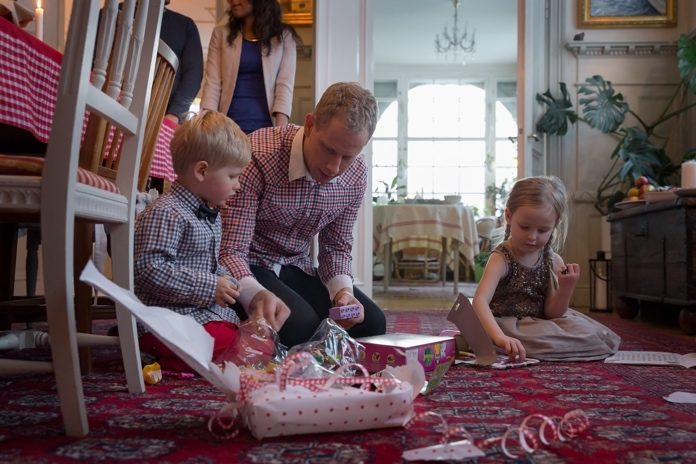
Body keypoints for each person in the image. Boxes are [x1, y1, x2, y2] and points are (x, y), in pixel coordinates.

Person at [219, 82, 387, 348]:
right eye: (329, 150)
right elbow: (230, 251)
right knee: (304, 328)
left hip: (296, 266)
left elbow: (336, 247)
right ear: (310, 125)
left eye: (348, 156)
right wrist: (255, 295)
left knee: (373, 324)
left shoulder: (356, 175)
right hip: (250, 263)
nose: (334, 167)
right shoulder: (258, 155)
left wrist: (343, 292)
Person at [133, 111, 251, 372]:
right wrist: (210, 286)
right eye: (232, 176)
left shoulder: (211, 215)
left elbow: (207, 263)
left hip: (197, 314)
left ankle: (194, 357)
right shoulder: (167, 212)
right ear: (202, 171)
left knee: (249, 336)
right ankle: (163, 355)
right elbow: (148, 270)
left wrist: (225, 281)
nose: (238, 185)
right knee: (234, 343)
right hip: (166, 318)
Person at [472, 176, 621, 361]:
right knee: (535, 338)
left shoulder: (552, 260)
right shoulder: (501, 258)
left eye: (542, 230)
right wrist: (499, 337)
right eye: (525, 227)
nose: (532, 237)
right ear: (509, 216)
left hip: (540, 325)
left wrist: (566, 287)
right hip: (505, 325)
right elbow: (479, 301)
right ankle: (504, 344)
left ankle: (550, 347)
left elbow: (553, 313)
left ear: (555, 224)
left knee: (590, 333)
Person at [200, 0, 299, 134]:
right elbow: (212, 83)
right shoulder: (221, 34)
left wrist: (280, 134)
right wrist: (207, 129)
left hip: (268, 128)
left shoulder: (284, 36)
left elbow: (284, 85)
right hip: (226, 130)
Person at [160, 0, 204, 124]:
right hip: (113, 106)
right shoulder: (110, 15)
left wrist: (174, 114)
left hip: (166, 116)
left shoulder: (185, 26)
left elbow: (193, 75)